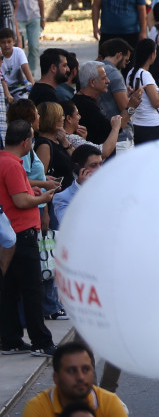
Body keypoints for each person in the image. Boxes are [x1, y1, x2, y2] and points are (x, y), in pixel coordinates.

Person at [0, 120, 57, 356]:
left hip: (8, 235)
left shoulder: (5, 160)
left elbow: (17, 193)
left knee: (9, 290)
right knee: (33, 290)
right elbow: (21, 201)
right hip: (22, 233)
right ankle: (41, 342)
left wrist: (32, 190)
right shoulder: (13, 165)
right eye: (32, 139)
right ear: (26, 141)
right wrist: (43, 199)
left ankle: (11, 339)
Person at [22, 341, 129, 416]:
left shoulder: (111, 404)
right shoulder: (36, 409)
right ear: (56, 378)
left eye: (86, 369)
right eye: (71, 371)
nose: (80, 377)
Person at [72, 61, 139, 148]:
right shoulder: (87, 106)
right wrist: (131, 107)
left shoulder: (86, 101)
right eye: (104, 78)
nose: (108, 81)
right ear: (92, 82)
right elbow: (113, 130)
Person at [124, 38, 159, 144]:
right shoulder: (145, 74)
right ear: (152, 55)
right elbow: (156, 102)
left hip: (137, 123)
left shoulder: (131, 73)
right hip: (151, 125)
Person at [0, 27, 33, 99]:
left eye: (9, 42)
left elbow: (25, 69)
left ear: (14, 42)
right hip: (2, 88)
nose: (6, 45)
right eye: (3, 42)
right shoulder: (0, 54)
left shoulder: (18, 52)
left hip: (17, 87)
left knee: (24, 101)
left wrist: (34, 87)